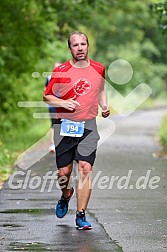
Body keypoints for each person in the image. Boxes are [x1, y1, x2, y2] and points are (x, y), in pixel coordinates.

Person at [43, 31, 110, 230]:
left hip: (88, 125)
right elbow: (47, 97)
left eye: (83, 44)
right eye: (75, 45)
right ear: (70, 48)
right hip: (64, 125)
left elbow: (101, 89)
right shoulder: (61, 70)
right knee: (64, 172)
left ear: (88, 46)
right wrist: (63, 102)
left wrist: (104, 106)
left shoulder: (98, 68)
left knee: (85, 169)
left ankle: (81, 215)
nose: (80, 48)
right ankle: (66, 195)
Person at [44, 63, 61, 152]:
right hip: (56, 105)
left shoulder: (49, 77)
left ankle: (55, 144)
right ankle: (54, 144)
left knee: (55, 124)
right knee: (56, 124)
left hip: (59, 105)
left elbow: (45, 91)